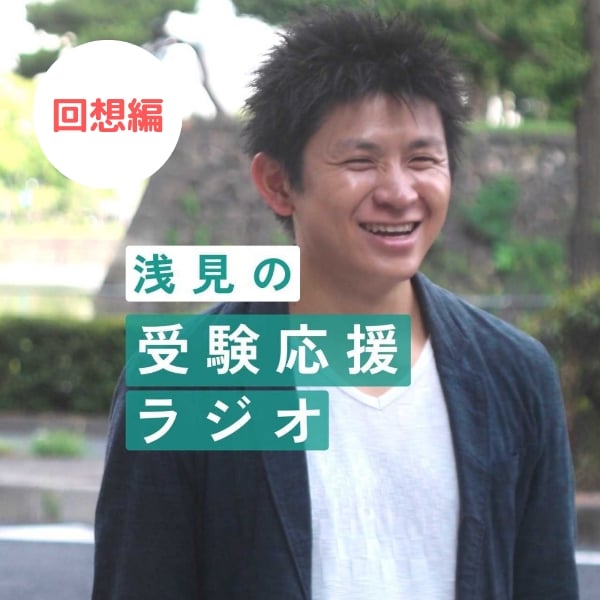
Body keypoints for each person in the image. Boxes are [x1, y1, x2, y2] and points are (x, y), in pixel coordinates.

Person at [93, 9, 579, 599]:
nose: (399, 192)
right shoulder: (185, 382)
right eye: (360, 161)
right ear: (278, 183)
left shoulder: (513, 374)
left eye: (423, 159)